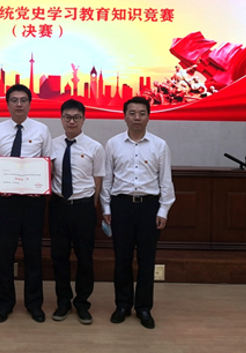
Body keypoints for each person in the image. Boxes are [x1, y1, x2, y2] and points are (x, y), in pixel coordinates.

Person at [101, 96, 176, 329]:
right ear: (124, 116)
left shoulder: (159, 145)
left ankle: (144, 308)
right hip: (121, 206)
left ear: (148, 117)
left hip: (148, 207)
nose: (137, 117)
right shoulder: (113, 144)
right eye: (132, 113)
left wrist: (163, 210)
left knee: (147, 260)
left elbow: (165, 180)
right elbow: (107, 180)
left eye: (142, 113)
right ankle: (123, 305)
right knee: (122, 259)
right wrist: (106, 208)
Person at [0, 84, 53, 323]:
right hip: (6, 201)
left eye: (23, 100)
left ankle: (34, 304)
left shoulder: (42, 130)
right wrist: (0, 184)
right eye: (14, 100)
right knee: (4, 253)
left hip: (33, 202)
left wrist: (40, 186)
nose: (19, 104)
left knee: (33, 253)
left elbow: (48, 162)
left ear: (30, 104)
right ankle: (4, 304)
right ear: (7, 104)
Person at [49, 99, 105, 325]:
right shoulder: (51, 145)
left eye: (76, 117)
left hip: (83, 208)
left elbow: (98, 180)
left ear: (83, 119)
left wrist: (93, 206)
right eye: (67, 117)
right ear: (61, 119)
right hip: (58, 206)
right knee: (59, 257)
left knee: (84, 258)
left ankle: (82, 303)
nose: (71, 121)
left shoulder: (95, 147)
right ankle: (63, 302)